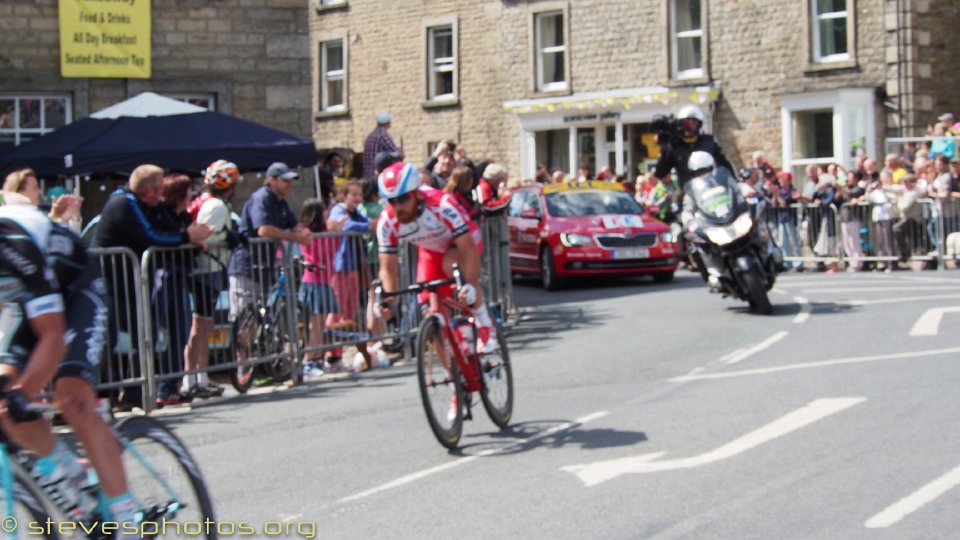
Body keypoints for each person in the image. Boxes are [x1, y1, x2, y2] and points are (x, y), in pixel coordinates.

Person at [0, 200, 139, 533]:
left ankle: (125, 521)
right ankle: (72, 473)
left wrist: (25, 392)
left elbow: (53, 336)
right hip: (24, 304)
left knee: (72, 397)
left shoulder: (12, 246)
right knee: (4, 404)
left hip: (76, 289)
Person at [92, 165, 212, 408]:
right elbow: (151, 236)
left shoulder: (149, 205)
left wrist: (189, 234)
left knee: (143, 336)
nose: (162, 195)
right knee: (110, 339)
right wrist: (186, 237)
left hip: (132, 283)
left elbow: (169, 226)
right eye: (159, 190)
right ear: (149, 189)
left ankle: (134, 394)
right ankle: (107, 395)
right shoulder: (123, 203)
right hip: (110, 282)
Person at [375, 161, 498, 355]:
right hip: (431, 250)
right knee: (430, 312)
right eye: (392, 201)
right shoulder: (387, 221)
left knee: (452, 266)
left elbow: (467, 249)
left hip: (463, 243)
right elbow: (387, 268)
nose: (398, 207)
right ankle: (452, 375)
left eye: (403, 198)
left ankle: (485, 325)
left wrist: (471, 284)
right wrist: (389, 302)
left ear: (416, 193)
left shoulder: (442, 204)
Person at [182, 160, 243, 399]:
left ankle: (197, 377)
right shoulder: (217, 206)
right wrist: (227, 236)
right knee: (202, 326)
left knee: (201, 325)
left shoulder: (205, 201)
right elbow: (203, 234)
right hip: (206, 270)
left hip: (205, 269)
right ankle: (197, 377)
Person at [228, 162, 312, 327]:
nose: (289, 184)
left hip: (264, 267)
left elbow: (296, 226)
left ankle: (262, 349)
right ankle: (243, 353)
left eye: (290, 180)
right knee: (245, 319)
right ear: (271, 180)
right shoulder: (262, 198)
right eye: (285, 180)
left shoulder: (281, 202)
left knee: (261, 318)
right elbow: (263, 230)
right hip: (247, 267)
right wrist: (295, 238)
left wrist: (305, 233)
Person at [653, 104, 735, 225]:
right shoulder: (674, 146)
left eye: (693, 122)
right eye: (686, 123)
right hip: (689, 194)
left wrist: (734, 183)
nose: (689, 126)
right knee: (682, 224)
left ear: (699, 124)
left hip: (714, 190)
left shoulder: (708, 141)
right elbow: (660, 172)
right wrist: (665, 148)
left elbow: (725, 165)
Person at [325, 179, 375, 372]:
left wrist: (369, 224)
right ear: (343, 195)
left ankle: (342, 354)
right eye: (353, 194)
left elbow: (364, 222)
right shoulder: (338, 210)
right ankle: (331, 354)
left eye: (359, 194)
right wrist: (367, 226)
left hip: (353, 267)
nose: (358, 198)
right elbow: (348, 227)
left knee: (350, 312)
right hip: (340, 267)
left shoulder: (355, 213)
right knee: (338, 311)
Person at [297, 198, 339, 378]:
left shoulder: (324, 231)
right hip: (314, 281)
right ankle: (308, 360)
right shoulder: (307, 233)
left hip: (325, 280)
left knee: (320, 324)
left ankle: (317, 359)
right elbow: (320, 253)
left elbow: (333, 250)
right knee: (315, 325)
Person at [362, 111, 399, 181]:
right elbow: (395, 152)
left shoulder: (371, 135)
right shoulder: (383, 134)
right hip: (378, 175)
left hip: (367, 175)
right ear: (387, 122)